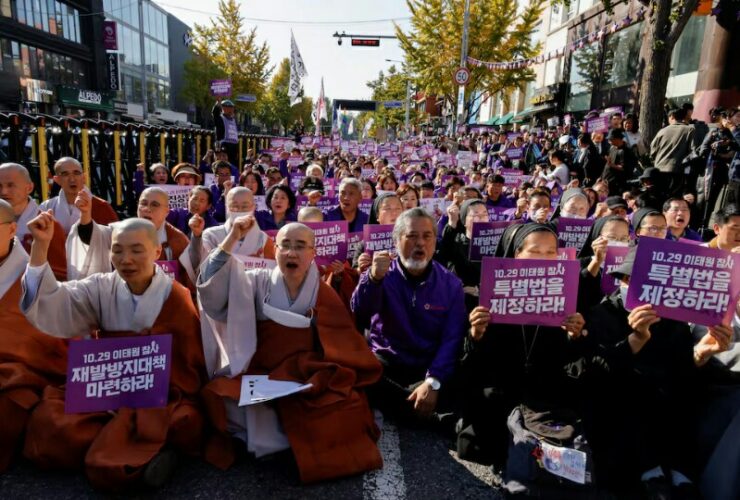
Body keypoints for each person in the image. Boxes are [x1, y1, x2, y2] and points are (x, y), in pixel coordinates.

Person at [20, 215, 206, 490]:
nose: (126, 259)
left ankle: (125, 451)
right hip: (108, 385)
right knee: (49, 419)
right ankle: (141, 454)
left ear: (156, 252)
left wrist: (151, 384)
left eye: (136, 250)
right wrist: (40, 248)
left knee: (183, 420)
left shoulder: (175, 296)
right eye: (117, 250)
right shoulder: (101, 286)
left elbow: (189, 364)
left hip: (157, 391)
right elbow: (56, 302)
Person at [197, 220, 383, 483]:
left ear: (312, 253)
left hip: (306, 374)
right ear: (275, 251)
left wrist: (327, 373)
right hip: (262, 372)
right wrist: (230, 240)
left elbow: (343, 342)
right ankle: (291, 443)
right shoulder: (255, 282)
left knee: (346, 401)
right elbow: (213, 292)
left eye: (300, 246)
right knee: (220, 395)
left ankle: (273, 444)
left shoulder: (323, 292)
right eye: (285, 246)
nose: (291, 253)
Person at [584, 247, 739, 496]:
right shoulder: (601, 315)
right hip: (620, 407)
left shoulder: (672, 317)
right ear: (623, 281)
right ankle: (650, 475)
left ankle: (679, 473)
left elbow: (681, 370)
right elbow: (598, 372)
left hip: (669, 406)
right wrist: (636, 339)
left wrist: (701, 353)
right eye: (635, 281)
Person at [459, 223, 588, 465]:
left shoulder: (564, 292)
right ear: (516, 253)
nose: (544, 258)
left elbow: (572, 363)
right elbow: (472, 363)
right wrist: (476, 333)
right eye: (535, 251)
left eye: (551, 252)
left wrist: (574, 335)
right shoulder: (493, 293)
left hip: (544, 394)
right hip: (499, 389)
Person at [351, 208, 466, 423]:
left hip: (427, 366)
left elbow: (452, 339)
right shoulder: (381, 274)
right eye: (411, 236)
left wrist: (433, 382)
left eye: (427, 236)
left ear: (435, 242)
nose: (420, 243)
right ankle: (422, 411)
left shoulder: (451, 284)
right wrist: (373, 280)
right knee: (358, 374)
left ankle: (410, 406)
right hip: (387, 364)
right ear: (396, 241)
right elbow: (360, 313)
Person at [0, 199, 67, 472]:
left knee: (12, 398)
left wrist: (41, 246)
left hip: (15, 367)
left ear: (11, 229)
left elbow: (43, 339)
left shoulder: (28, 270)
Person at [66, 188, 191, 293]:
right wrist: (86, 214)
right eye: (143, 203)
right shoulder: (120, 231)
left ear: (166, 212)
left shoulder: (177, 240)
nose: (147, 208)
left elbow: (190, 281)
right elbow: (94, 238)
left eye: (154, 205)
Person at [184, 187, 275, 281]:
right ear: (227, 207)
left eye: (245, 207)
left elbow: (270, 277)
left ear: (253, 207)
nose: (239, 210)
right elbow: (201, 271)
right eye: (234, 206)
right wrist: (197, 235)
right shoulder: (211, 235)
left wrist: (257, 266)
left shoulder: (263, 239)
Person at [0, 163, 67, 280]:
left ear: (29, 188)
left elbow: (60, 275)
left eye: (10, 185)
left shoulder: (47, 225)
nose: (4, 192)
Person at [435, 199, 490, 312]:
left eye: (485, 214)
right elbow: (442, 257)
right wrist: (452, 223)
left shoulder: (498, 241)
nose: (481, 218)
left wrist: (480, 289)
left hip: (490, 301)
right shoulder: (456, 242)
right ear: (464, 220)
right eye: (475, 214)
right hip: (464, 302)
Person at [40, 157, 118, 234]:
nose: (72, 179)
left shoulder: (101, 206)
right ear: (57, 180)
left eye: (76, 173)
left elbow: (117, 239)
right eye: (65, 174)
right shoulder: (47, 207)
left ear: (84, 177)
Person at [650, 108, 694, 193]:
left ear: (671, 117)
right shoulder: (689, 130)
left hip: (659, 168)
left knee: (659, 194)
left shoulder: (662, 131)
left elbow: (653, 150)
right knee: (673, 197)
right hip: (677, 170)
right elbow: (692, 151)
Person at [601, 128, 637, 196]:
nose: (609, 141)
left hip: (617, 185)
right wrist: (601, 177)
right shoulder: (612, 148)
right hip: (606, 181)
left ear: (618, 139)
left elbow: (625, 168)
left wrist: (612, 165)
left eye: (611, 139)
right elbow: (608, 164)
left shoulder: (625, 152)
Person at [212, 99, 239, 164]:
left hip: (233, 146)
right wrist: (218, 103)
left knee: (232, 163)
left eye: (231, 108)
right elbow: (215, 113)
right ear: (223, 108)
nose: (230, 110)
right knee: (222, 163)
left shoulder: (233, 120)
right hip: (223, 145)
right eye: (228, 107)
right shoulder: (220, 118)